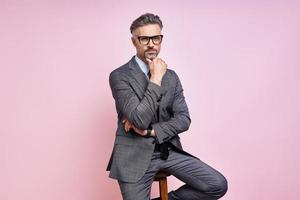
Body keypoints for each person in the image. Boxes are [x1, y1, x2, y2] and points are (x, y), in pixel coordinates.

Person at [106, 13, 228, 200]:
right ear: (134, 42)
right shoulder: (119, 76)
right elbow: (139, 119)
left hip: (167, 151)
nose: (151, 44)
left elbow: (183, 120)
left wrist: (150, 132)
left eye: (156, 38)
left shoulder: (171, 77)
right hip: (133, 157)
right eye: (144, 38)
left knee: (216, 184)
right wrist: (155, 78)